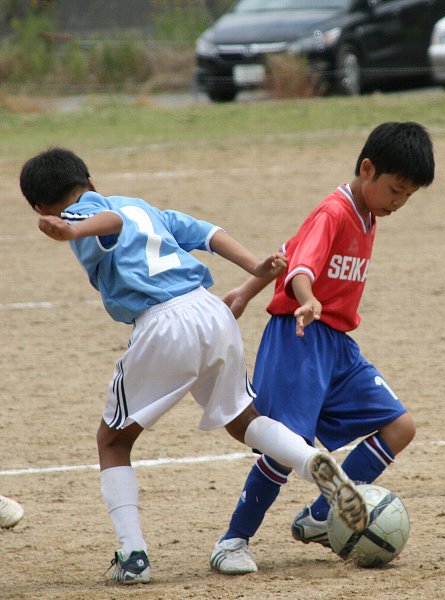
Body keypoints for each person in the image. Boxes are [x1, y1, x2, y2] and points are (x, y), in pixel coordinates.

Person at [19, 148, 367, 584]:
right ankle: (312, 460)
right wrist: (256, 266)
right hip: (210, 311)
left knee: (112, 441)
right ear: (89, 178)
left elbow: (110, 222)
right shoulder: (142, 206)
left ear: (41, 206)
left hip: (164, 322)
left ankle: (133, 556)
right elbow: (208, 233)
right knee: (244, 420)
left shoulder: (85, 210)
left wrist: (71, 229)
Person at [209, 121, 435, 574]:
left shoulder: (366, 214)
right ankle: (232, 540)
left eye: (408, 196)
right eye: (395, 190)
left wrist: (245, 291)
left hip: (337, 345)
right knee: (285, 444)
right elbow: (300, 269)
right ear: (367, 169)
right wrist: (308, 298)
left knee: (400, 427)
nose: (398, 202)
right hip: (299, 336)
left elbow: (287, 250)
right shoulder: (334, 212)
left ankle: (321, 515)